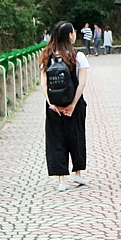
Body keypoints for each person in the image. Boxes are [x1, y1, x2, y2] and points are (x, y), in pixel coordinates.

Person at [40, 22, 89, 192]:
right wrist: (73, 104)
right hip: (74, 105)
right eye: (74, 32)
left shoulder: (47, 55)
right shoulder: (77, 56)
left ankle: (61, 179)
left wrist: (51, 104)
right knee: (76, 137)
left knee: (56, 141)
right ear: (70, 35)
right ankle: (78, 172)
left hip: (54, 106)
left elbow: (44, 83)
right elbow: (81, 83)